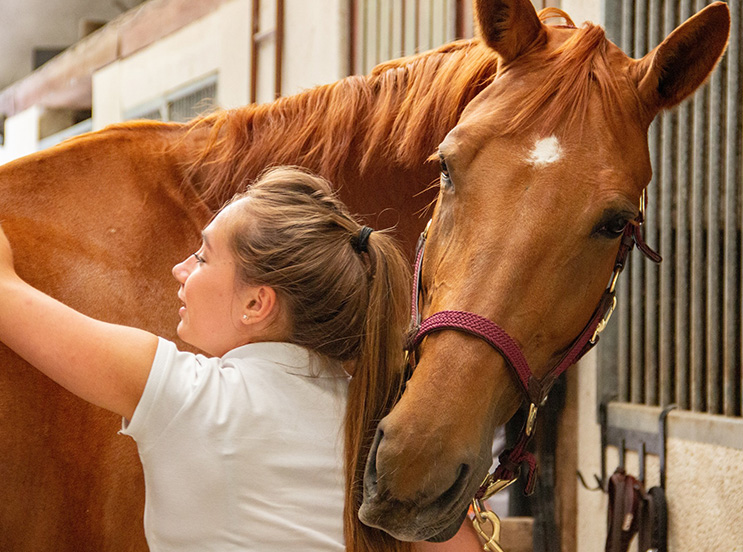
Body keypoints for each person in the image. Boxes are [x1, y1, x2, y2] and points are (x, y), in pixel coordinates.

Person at [0, 166, 414, 551]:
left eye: (202, 256)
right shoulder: (379, 423)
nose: (180, 269)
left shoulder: (189, 397)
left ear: (255, 303)